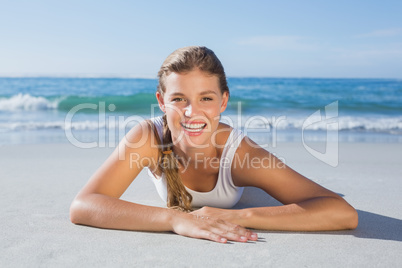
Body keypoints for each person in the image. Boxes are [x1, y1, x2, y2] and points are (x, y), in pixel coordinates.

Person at [70, 46, 358, 243]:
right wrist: (175, 220)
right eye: (178, 99)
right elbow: (84, 205)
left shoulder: (239, 153)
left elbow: (341, 212)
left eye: (205, 99)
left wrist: (230, 216)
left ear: (223, 101)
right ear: (161, 101)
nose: (191, 112)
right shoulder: (149, 137)